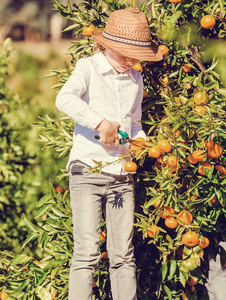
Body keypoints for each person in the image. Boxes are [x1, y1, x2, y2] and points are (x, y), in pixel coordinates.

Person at [55, 7, 162, 300]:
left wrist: (142, 142)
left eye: (135, 56)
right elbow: (64, 99)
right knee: (87, 251)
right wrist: (100, 123)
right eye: (125, 54)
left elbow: (135, 122)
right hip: (87, 170)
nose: (130, 61)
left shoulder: (135, 80)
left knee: (123, 254)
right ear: (107, 46)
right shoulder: (87, 68)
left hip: (121, 175)